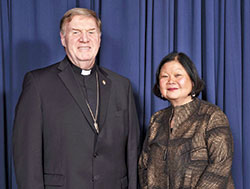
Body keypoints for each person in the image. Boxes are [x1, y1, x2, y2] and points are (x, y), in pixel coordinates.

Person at [12, 8, 140, 189]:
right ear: (63, 39)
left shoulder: (122, 86)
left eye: (91, 32)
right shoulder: (38, 84)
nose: (84, 39)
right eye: (76, 32)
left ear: (99, 38)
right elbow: (27, 156)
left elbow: (132, 151)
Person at [138, 52, 234, 188]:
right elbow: (144, 165)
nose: (171, 81)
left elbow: (221, 165)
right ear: (159, 86)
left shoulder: (211, 115)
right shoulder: (156, 120)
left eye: (178, 75)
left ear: (193, 81)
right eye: (164, 76)